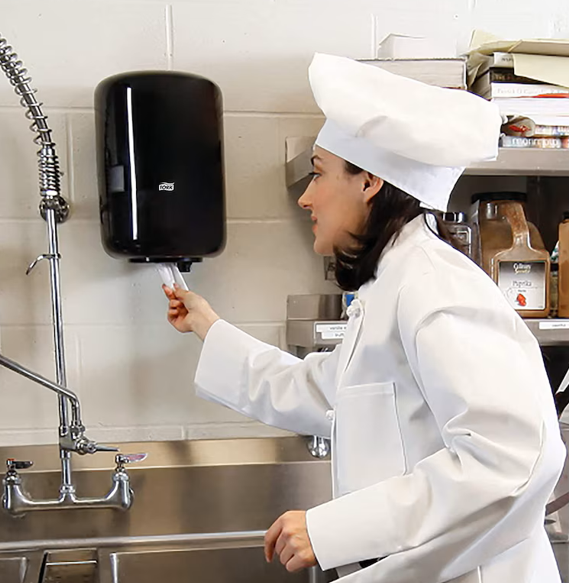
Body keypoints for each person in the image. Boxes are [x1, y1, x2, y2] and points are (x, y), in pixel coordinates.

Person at [163, 53, 566, 583]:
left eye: (318, 174)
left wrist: (332, 529)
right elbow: (323, 390)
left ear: (369, 182)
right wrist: (209, 327)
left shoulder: (434, 288)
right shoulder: (393, 283)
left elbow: (511, 460)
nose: (306, 197)